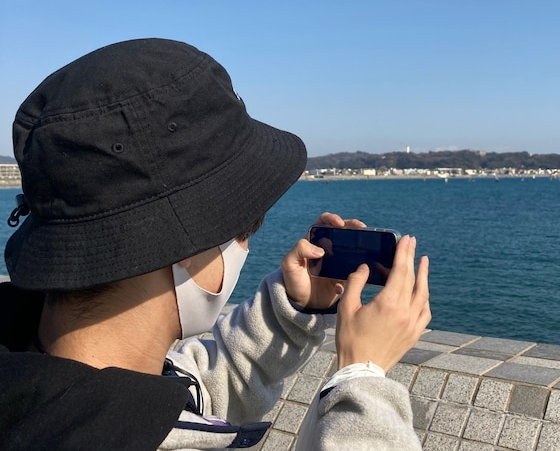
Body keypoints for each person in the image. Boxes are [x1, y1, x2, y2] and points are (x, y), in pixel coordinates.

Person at [0, 38, 431, 451]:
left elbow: (198, 392)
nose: (244, 247)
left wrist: (298, 309)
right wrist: (362, 378)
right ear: (188, 245)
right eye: (243, 232)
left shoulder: (57, 380)